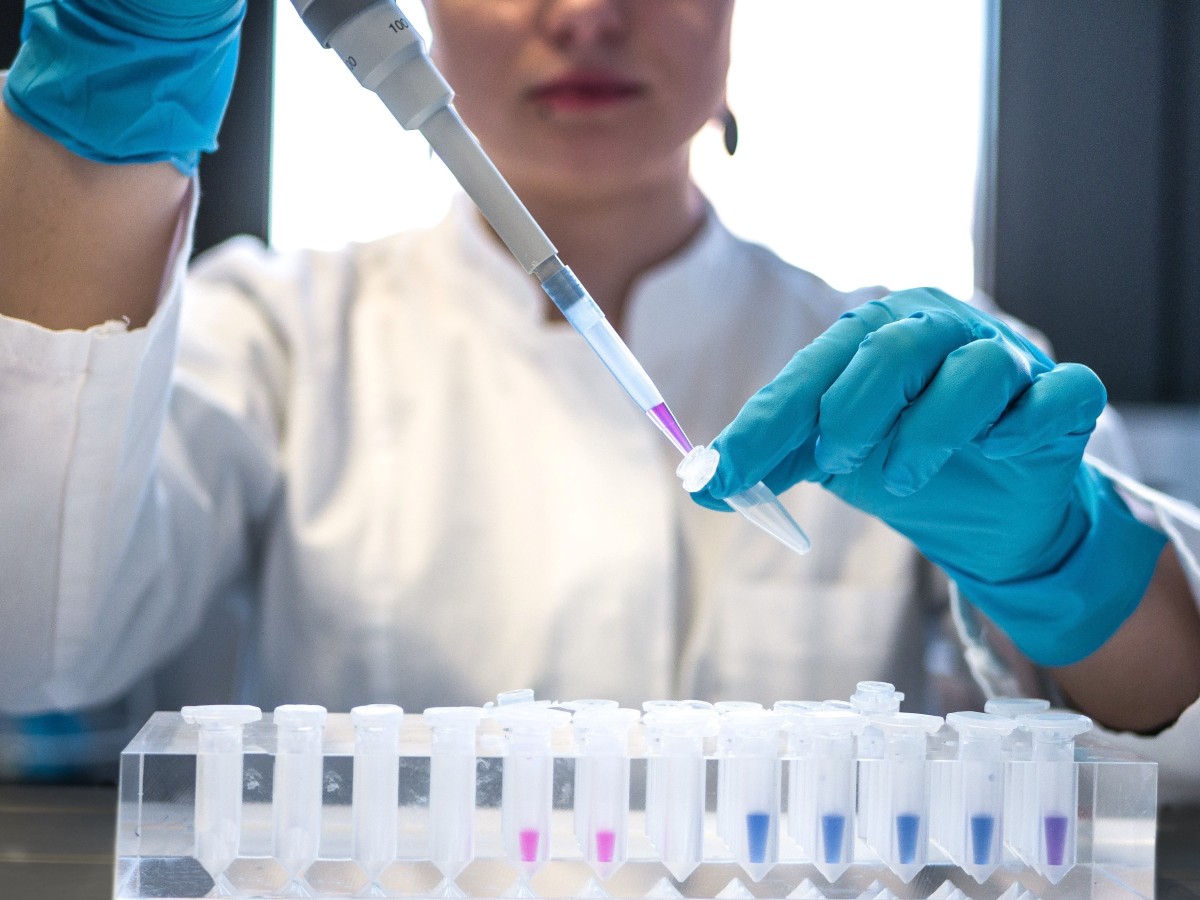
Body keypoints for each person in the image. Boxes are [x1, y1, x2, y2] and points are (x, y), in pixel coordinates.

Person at [0, 0, 1196, 801]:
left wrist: (1065, 563)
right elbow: (33, 645)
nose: (583, 14)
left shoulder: (923, 373)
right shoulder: (272, 333)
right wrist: (98, 136)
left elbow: (1166, 733)